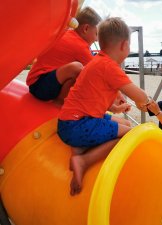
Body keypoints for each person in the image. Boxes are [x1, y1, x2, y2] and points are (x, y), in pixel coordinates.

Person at [57, 17, 150, 196]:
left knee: (126, 124)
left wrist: (116, 109)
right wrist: (145, 100)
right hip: (79, 125)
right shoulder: (110, 67)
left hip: (69, 122)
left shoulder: (96, 61)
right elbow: (139, 95)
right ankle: (84, 160)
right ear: (124, 45)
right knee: (129, 134)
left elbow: (96, 100)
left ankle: (78, 150)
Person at [26, 7, 101, 104]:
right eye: (96, 34)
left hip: (35, 82)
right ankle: (59, 104)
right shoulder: (80, 46)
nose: (96, 40)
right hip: (41, 87)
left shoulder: (66, 33)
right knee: (78, 68)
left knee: (80, 71)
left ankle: (61, 101)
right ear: (86, 29)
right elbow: (99, 71)